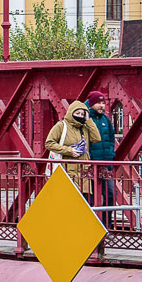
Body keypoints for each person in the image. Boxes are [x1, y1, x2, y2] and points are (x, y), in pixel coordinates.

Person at [44, 100, 100, 200]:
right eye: (77, 113)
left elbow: (96, 138)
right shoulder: (61, 126)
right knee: (68, 201)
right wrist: (69, 151)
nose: (80, 116)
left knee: (82, 203)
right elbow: (49, 143)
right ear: (71, 112)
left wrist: (88, 120)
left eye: (82, 114)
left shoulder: (85, 127)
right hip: (67, 170)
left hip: (83, 172)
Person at [84, 90, 117, 226]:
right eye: (98, 103)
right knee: (90, 198)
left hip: (105, 166)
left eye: (103, 103)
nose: (102, 106)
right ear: (91, 104)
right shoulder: (84, 118)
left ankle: (105, 226)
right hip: (89, 167)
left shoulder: (106, 120)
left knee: (110, 195)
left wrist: (111, 155)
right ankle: (90, 226)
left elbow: (111, 139)